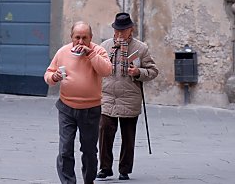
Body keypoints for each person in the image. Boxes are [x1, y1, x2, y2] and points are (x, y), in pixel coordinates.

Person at [44, 21, 113, 184]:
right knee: (65, 148)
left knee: (89, 150)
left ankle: (89, 181)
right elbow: (48, 74)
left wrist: (90, 54)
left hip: (91, 109)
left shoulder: (98, 51)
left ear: (91, 38)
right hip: (66, 107)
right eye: (77, 38)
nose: (81, 42)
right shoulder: (63, 52)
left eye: (84, 38)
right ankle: (68, 182)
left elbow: (106, 71)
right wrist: (53, 77)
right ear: (71, 37)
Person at [96, 12, 159, 181]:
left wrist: (138, 72)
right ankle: (105, 168)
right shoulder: (105, 46)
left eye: (123, 30)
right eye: (117, 30)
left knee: (128, 136)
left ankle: (124, 169)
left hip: (130, 97)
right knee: (104, 132)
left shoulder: (141, 48)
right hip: (108, 96)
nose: (120, 34)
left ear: (131, 30)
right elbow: (97, 68)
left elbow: (153, 71)